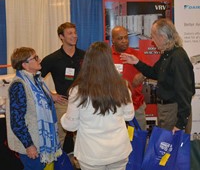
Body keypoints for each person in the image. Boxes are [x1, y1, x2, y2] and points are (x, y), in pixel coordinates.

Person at [60, 42, 135, 170]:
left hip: (91, 154)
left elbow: (70, 125)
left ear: (87, 61)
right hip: (118, 151)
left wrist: (63, 118)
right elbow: (129, 116)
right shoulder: (122, 86)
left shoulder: (78, 90)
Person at [121, 18, 195, 134]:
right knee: (165, 149)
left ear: (162, 37)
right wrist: (136, 62)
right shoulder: (167, 54)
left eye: (153, 36)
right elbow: (154, 73)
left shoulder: (178, 57)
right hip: (166, 111)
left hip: (174, 111)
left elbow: (185, 92)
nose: (152, 40)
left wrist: (180, 124)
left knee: (171, 150)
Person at [6, 47, 62, 170]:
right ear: (25, 65)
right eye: (35, 58)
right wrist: (29, 145)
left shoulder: (36, 81)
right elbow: (17, 121)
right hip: (33, 145)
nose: (39, 59)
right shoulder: (19, 85)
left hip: (42, 142)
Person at [40, 22, 85, 152]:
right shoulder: (52, 59)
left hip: (83, 103)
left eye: (75, 33)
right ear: (61, 37)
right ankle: (57, 164)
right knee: (59, 138)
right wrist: (51, 95)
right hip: (63, 103)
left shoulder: (85, 56)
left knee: (82, 140)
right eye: (70, 33)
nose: (74, 36)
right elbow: (35, 80)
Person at [111, 26, 147, 130]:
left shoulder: (136, 54)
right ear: (113, 40)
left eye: (126, 38)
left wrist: (142, 74)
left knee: (139, 140)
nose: (124, 41)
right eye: (120, 38)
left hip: (136, 106)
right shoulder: (107, 56)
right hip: (114, 108)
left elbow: (150, 70)